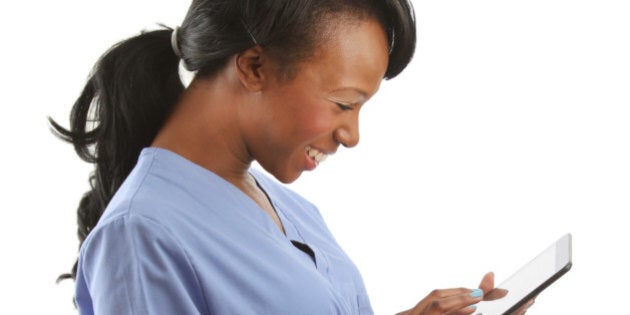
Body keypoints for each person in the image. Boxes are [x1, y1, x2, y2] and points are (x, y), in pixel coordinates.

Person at [52, 0, 532, 314]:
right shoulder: (141, 234)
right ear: (254, 67)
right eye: (344, 104)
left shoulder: (290, 209)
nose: (352, 134)